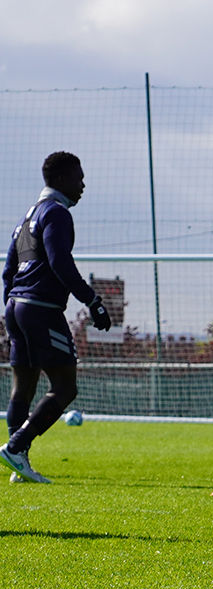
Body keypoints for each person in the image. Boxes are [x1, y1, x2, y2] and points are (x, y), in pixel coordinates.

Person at [2, 152, 113, 484]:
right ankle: (15, 447)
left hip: (16, 306)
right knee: (64, 387)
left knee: (23, 387)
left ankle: (18, 462)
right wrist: (91, 300)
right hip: (41, 308)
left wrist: (10, 308)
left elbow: (8, 269)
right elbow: (59, 261)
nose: (83, 185)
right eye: (79, 178)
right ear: (62, 179)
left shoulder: (27, 216)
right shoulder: (57, 212)